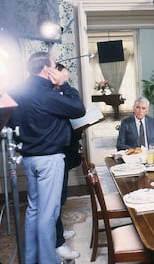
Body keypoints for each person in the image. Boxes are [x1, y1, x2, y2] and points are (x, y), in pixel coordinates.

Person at [7, 52, 85, 264]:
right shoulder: (46, 94)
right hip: (49, 159)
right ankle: (49, 261)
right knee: (48, 215)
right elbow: (78, 109)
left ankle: (31, 259)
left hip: (29, 159)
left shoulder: (18, 91)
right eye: (54, 66)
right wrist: (64, 84)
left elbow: (10, 121)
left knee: (33, 210)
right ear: (46, 69)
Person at [54, 63, 81, 260]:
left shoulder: (59, 95)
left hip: (64, 153)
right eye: (63, 78)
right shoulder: (51, 96)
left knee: (60, 198)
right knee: (55, 200)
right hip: (54, 155)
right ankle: (56, 242)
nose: (65, 83)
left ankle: (59, 232)